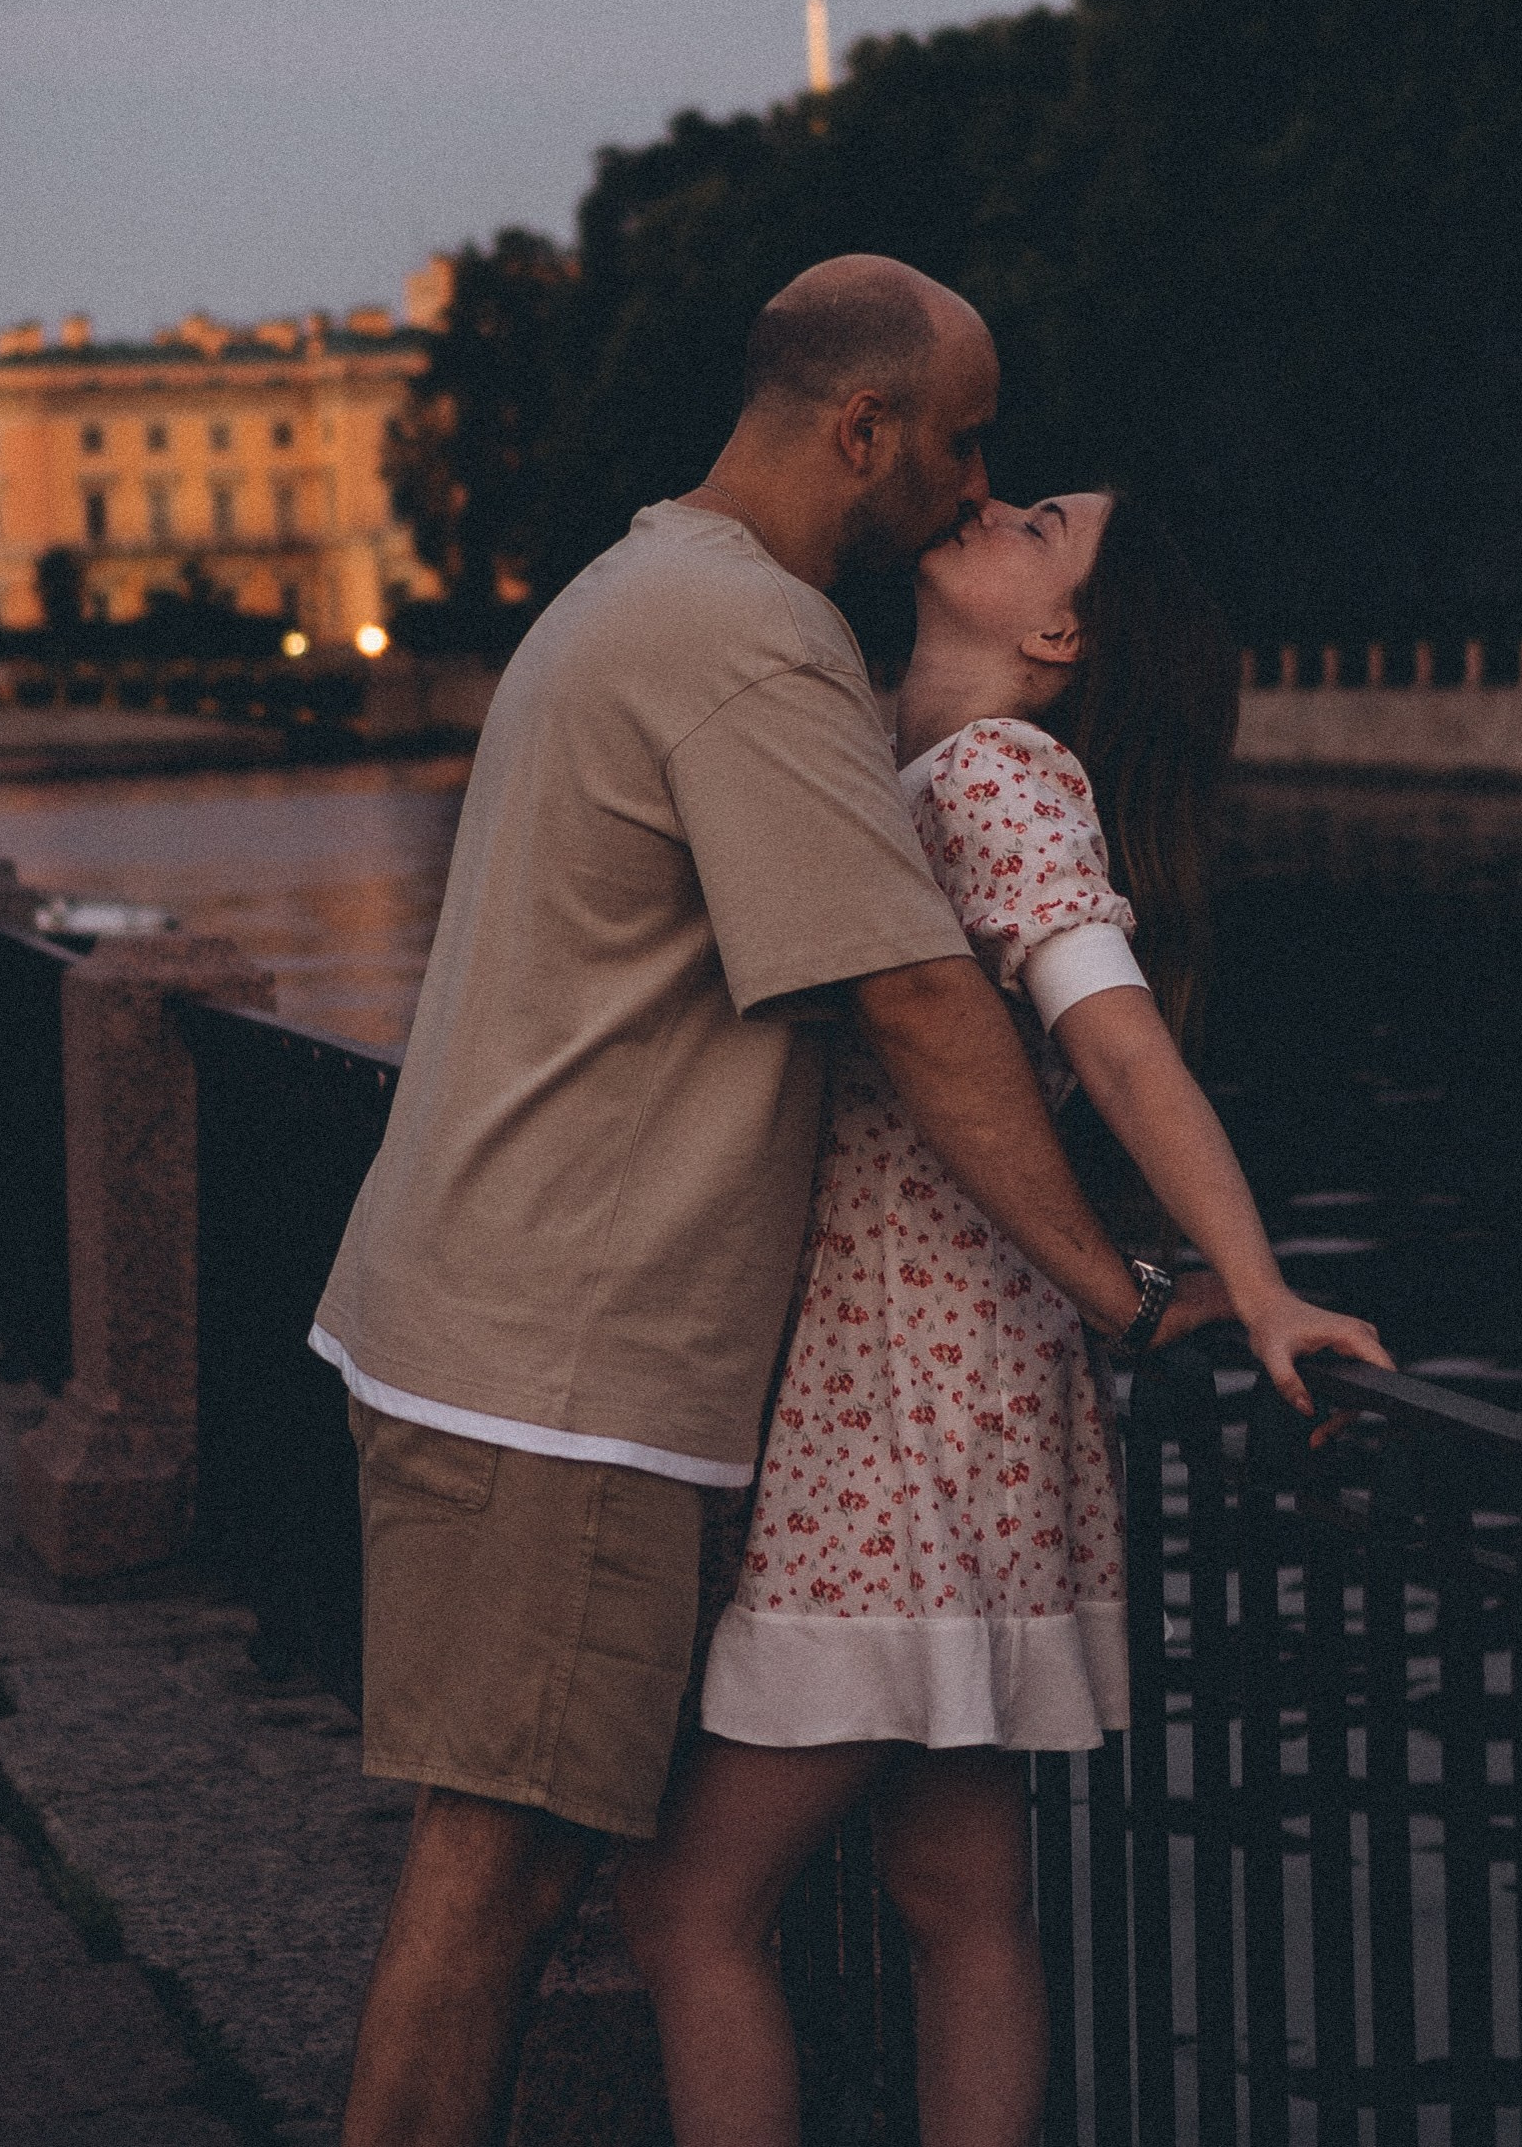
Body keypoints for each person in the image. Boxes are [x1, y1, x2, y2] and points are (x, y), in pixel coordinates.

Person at [311, 268, 1216, 2147]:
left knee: (550, 1885)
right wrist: (1124, 1300)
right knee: (486, 1894)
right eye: (964, 440)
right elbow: (906, 993)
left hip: (502, 1326)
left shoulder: (651, 585)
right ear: (863, 430)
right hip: (555, 1365)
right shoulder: (755, 643)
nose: (979, 480)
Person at [619, 487, 1391, 2147]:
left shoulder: (996, 775)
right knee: (953, 1895)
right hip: (958, 1391)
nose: (988, 499)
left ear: (1056, 637)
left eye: (1039, 521)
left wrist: (1250, 1284)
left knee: (690, 1909)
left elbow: (1113, 1041)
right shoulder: (919, 775)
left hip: (898, 1411)